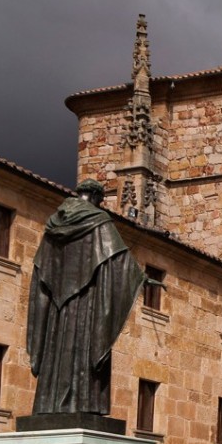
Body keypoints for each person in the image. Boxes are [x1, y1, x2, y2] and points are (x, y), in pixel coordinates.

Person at [27, 179, 146, 418]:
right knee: (84, 350)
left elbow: (41, 271)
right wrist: (142, 278)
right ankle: (81, 404)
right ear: (95, 197)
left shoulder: (52, 227)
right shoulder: (99, 222)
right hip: (86, 308)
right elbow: (119, 262)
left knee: (57, 347)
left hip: (56, 313)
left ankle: (50, 403)